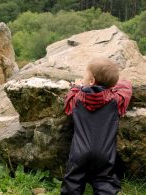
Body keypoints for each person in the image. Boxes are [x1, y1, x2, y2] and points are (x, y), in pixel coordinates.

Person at [61, 58, 132, 195]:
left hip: (78, 153)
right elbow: (126, 87)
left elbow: (68, 103)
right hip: (104, 153)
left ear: (92, 81)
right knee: (104, 180)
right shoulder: (116, 101)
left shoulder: (77, 99)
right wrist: (113, 84)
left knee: (73, 180)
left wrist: (77, 86)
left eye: (84, 77)